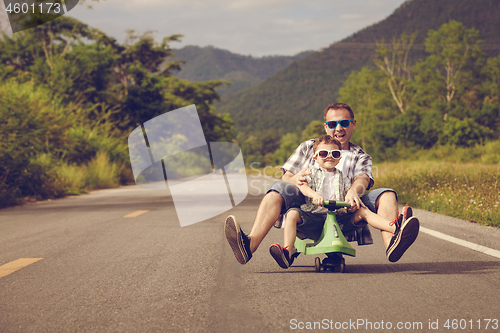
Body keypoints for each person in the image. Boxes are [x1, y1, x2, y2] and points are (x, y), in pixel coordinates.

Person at [224, 102, 419, 265]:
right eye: (333, 123)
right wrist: (295, 180)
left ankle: (393, 241)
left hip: (345, 214)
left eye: (344, 122)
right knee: (278, 188)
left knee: (387, 193)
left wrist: (353, 191)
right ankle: (248, 246)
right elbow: (287, 176)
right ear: (326, 126)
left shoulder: (361, 156)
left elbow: (363, 179)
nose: (339, 128)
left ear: (353, 124)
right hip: (308, 212)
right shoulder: (309, 147)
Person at [268, 134, 419, 268]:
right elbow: (303, 186)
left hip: (339, 219)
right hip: (314, 218)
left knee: (363, 211)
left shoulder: (343, 177)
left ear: (339, 157)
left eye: (334, 153)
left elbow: (349, 194)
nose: (329, 156)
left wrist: (352, 203)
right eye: (323, 153)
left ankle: (396, 229)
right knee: (293, 214)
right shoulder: (311, 172)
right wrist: (314, 195)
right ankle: (287, 251)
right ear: (315, 157)